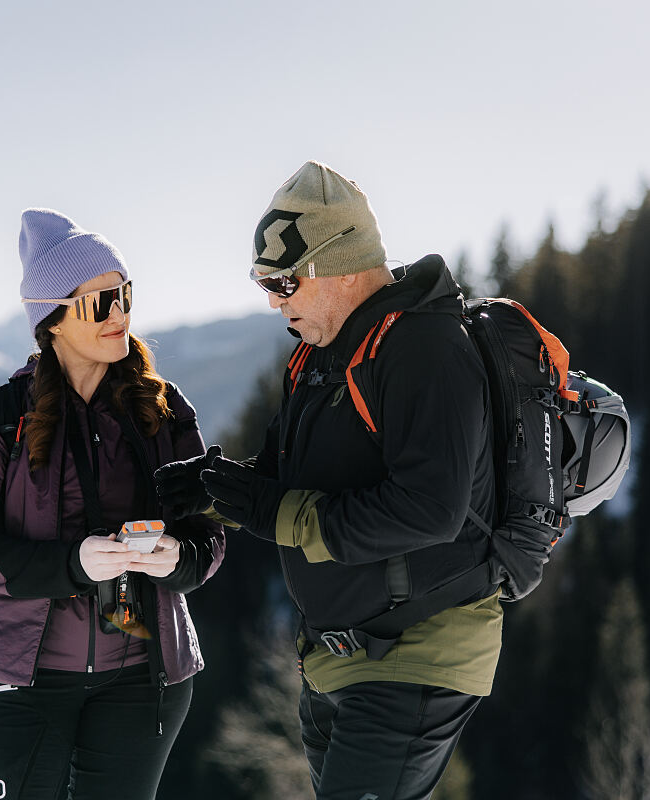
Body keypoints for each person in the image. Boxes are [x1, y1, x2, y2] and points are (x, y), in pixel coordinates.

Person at [155, 162, 500, 800]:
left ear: (337, 263)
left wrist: (270, 511)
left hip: (415, 654)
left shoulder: (426, 350)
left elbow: (429, 510)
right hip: (333, 659)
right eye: (263, 281)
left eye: (283, 280)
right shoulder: (317, 355)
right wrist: (216, 490)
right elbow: (284, 482)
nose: (273, 300)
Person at [0, 208, 225, 800]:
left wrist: (177, 556)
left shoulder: (165, 412)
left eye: (124, 294)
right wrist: (74, 564)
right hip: (15, 681)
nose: (120, 314)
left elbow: (208, 536)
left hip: (141, 680)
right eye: (101, 302)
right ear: (52, 318)